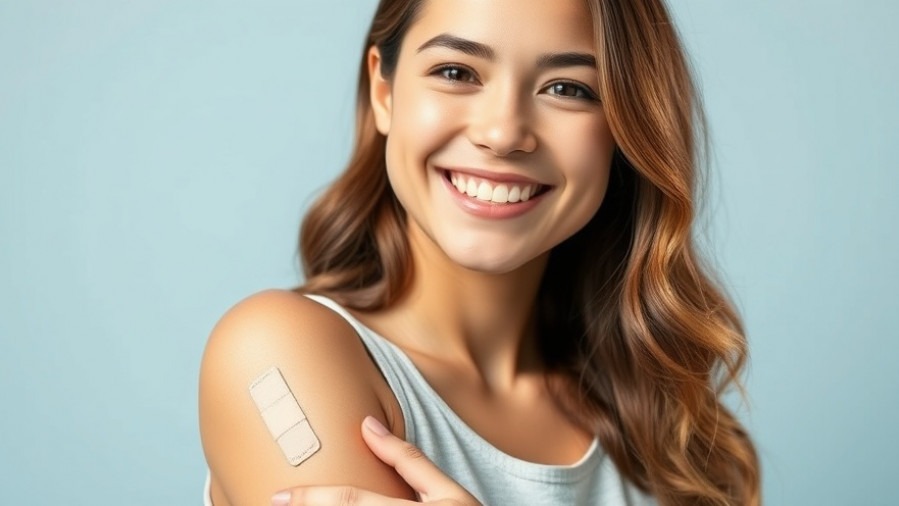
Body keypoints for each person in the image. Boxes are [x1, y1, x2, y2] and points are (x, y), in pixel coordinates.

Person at [199, 0, 761, 504]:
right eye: (456, 72)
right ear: (383, 92)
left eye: (567, 88)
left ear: (625, 128)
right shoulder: (273, 352)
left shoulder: (670, 427)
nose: (503, 133)